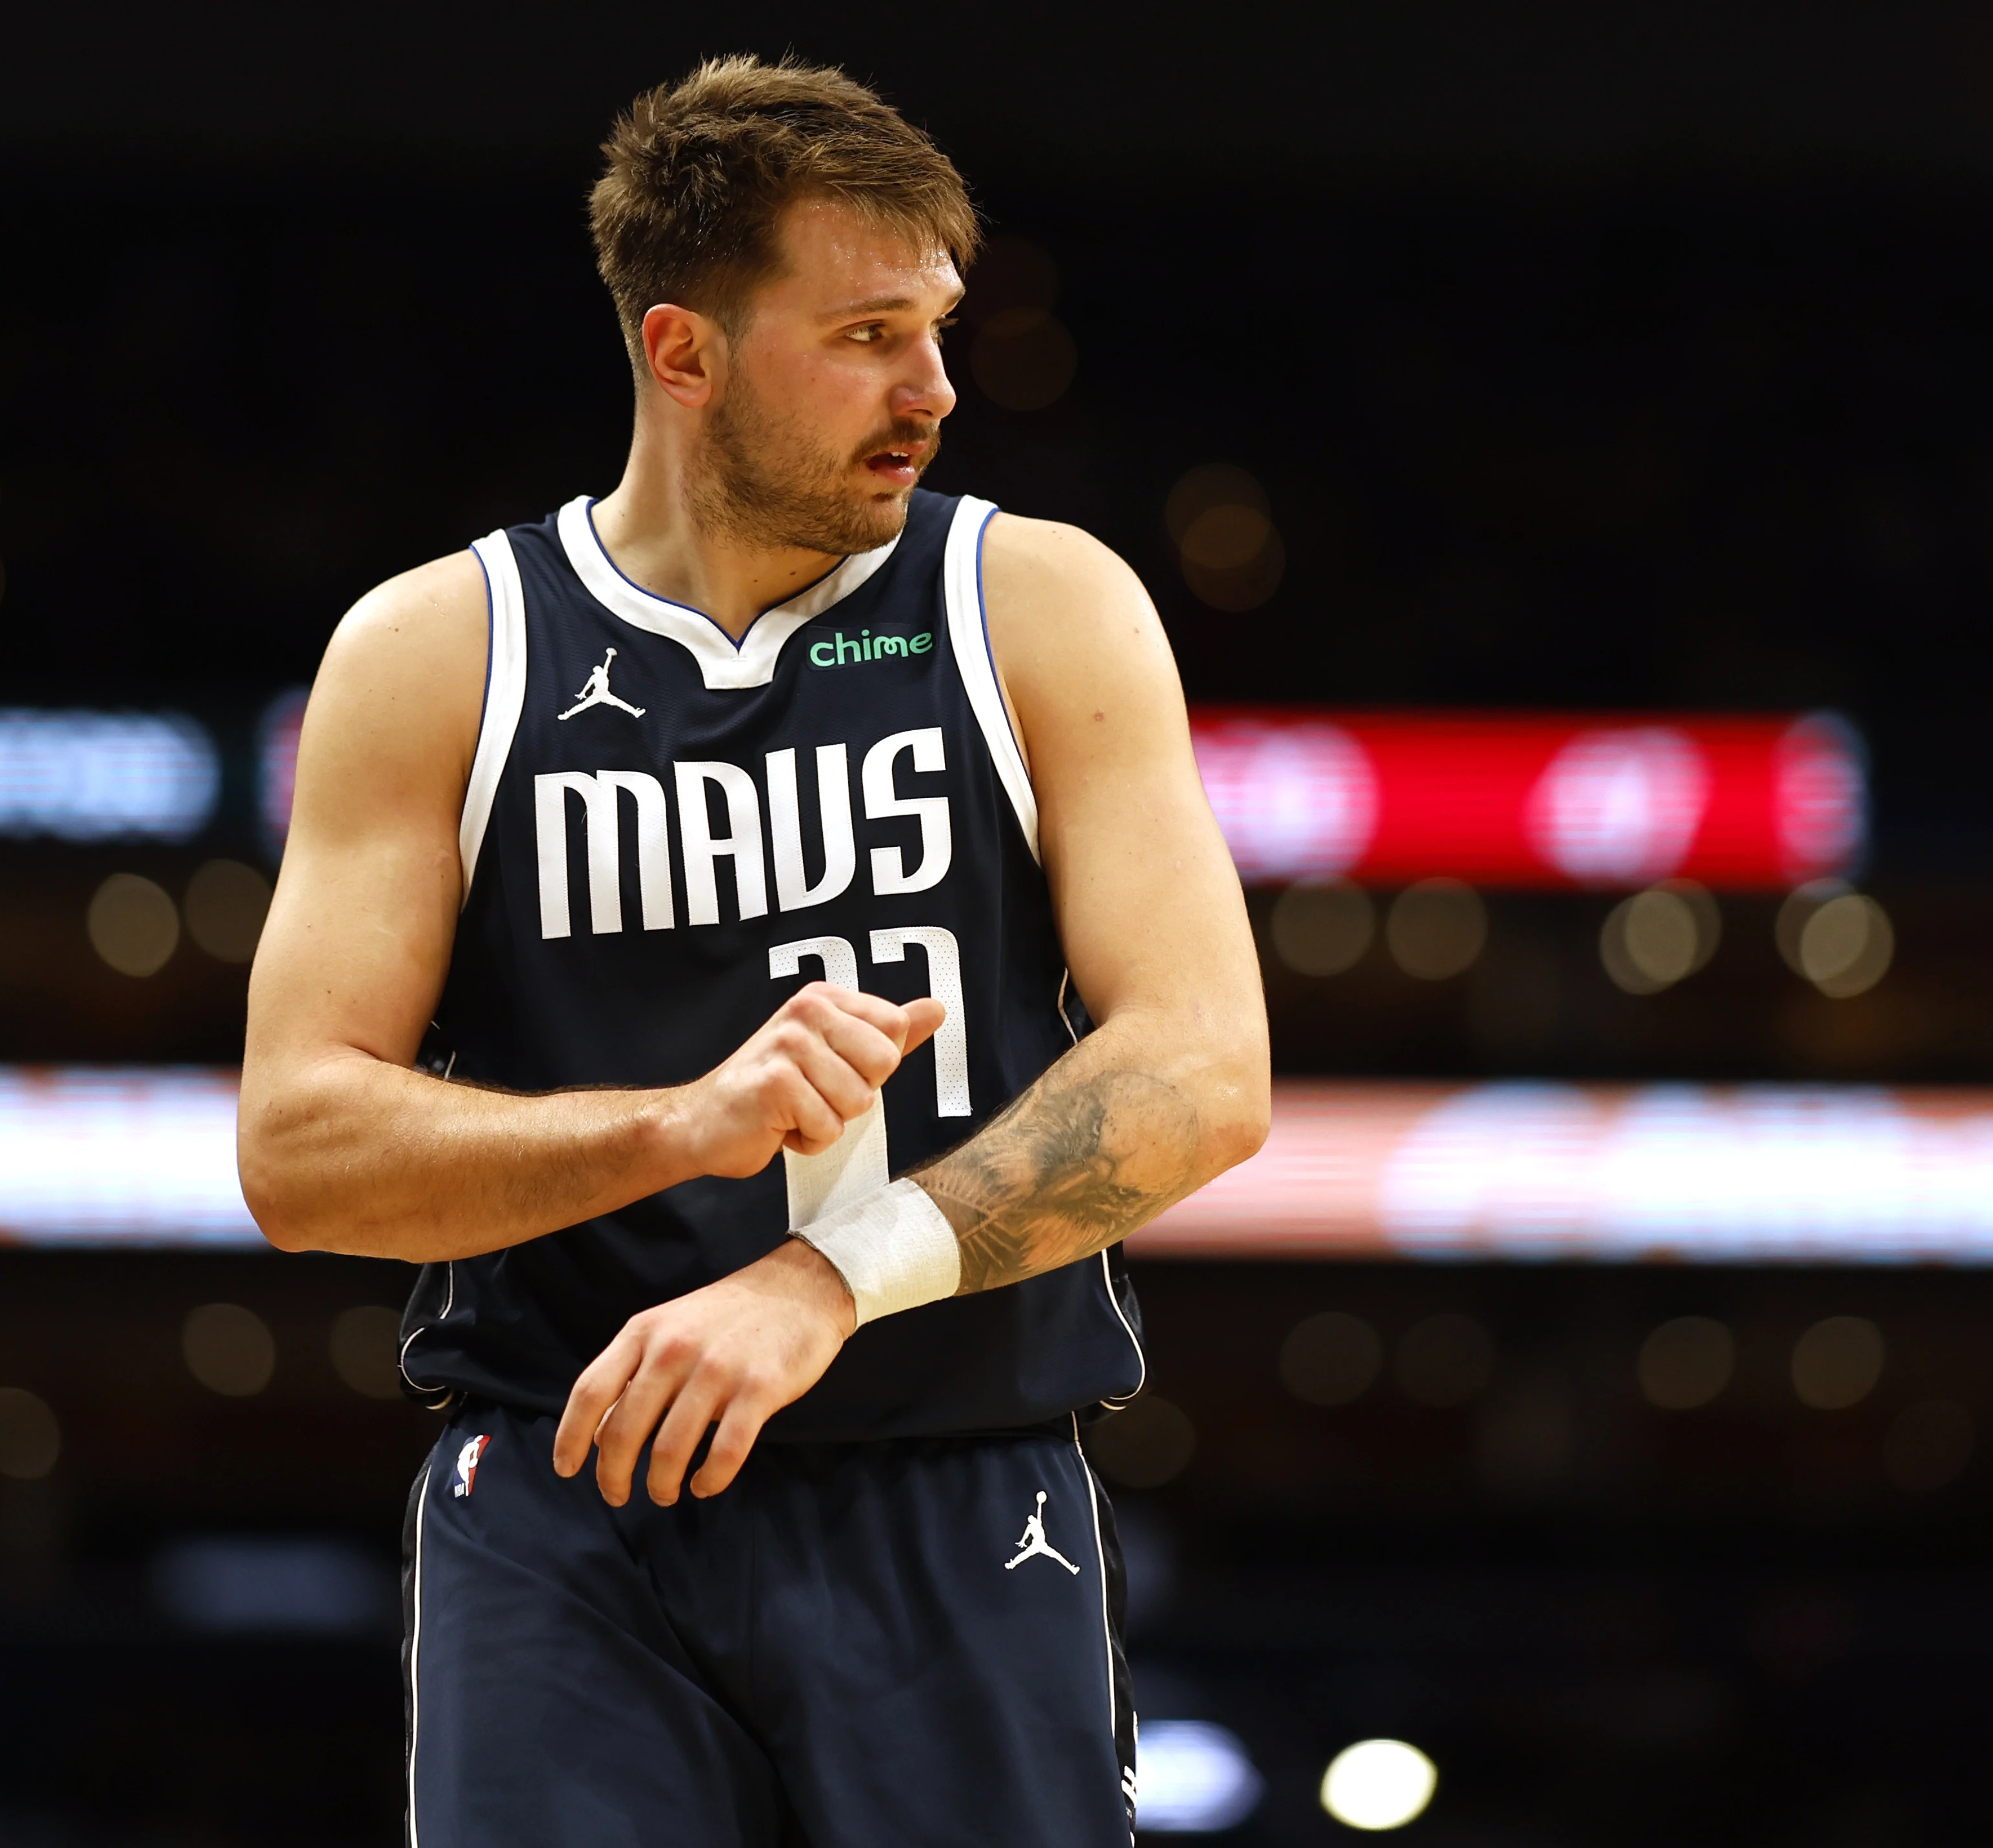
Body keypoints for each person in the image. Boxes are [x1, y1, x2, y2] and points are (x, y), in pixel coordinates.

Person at [235, 54, 1269, 1848]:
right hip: (564, 1498)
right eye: (868, 335)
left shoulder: (1033, 602)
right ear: (682, 349)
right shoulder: (441, 652)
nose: (934, 392)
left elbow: (1202, 1073)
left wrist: (821, 1282)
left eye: (941, 330)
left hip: (956, 1479)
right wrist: (668, 1128)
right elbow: (301, 1147)